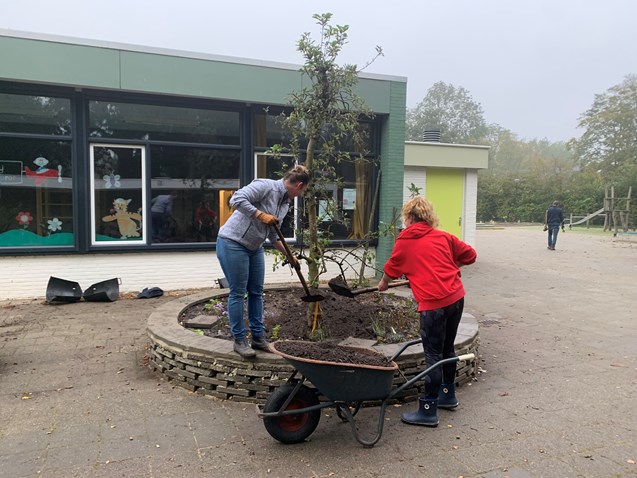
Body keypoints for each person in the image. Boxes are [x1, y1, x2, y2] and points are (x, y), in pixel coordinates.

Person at [378, 196, 477, 427]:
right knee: (447, 348)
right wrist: (449, 267)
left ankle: (428, 410)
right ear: (428, 216)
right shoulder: (444, 236)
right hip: (456, 297)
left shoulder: (405, 239)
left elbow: (392, 267)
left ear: (409, 217)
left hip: (433, 304)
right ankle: (448, 395)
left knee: (433, 354)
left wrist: (383, 283)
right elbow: (470, 255)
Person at [216, 165, 310, 358]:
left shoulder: (284, 204)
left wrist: (290, 256)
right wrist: (260, 215)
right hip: (232, 242)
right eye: (303, 190)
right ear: (299, 185)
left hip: (254, 247)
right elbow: (236, 199)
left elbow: (274, 236)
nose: (301, 194)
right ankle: (239, 340)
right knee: (238, 292)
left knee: (257, 292)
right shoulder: (266, 186)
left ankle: (258, 338)